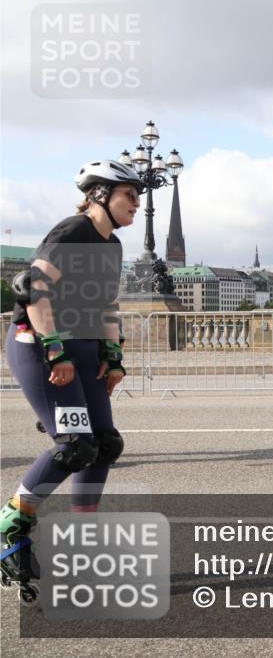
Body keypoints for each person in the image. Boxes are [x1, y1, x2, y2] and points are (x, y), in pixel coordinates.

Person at [0, 160, 142, 596]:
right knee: (75, 447)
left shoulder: (112, 246)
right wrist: (55, 350)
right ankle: (10, 529)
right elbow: (32, 290)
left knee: (104, 445)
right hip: (41, 345)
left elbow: (105, 305)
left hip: (85, 349)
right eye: (129, 196)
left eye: (139, 198)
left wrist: (114, 357)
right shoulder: (73, 232)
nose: (136, 205)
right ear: (101, 194)